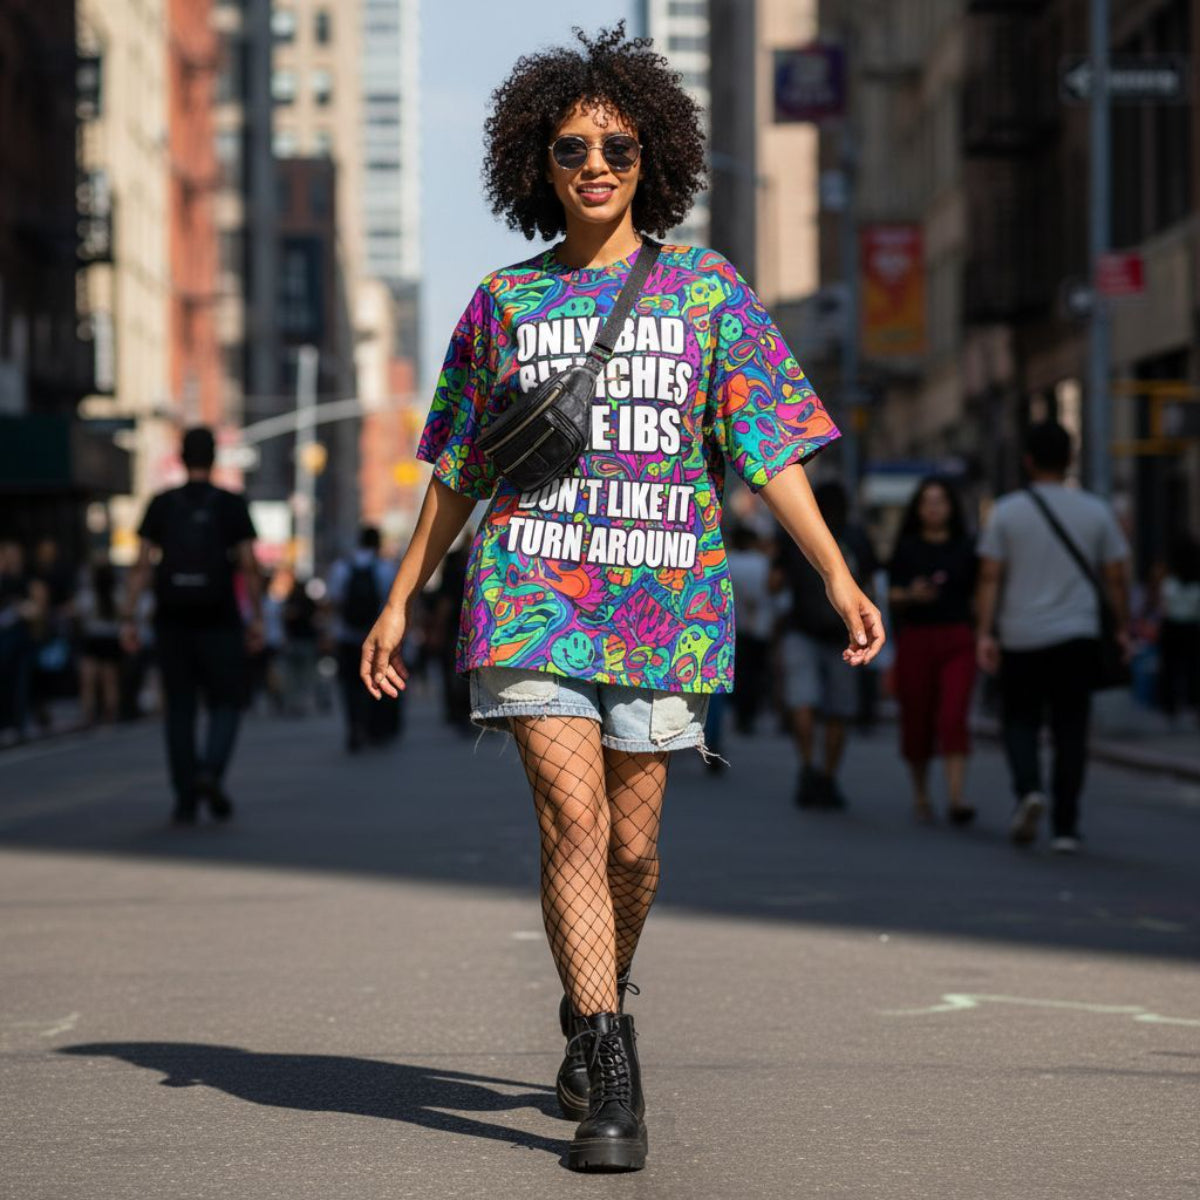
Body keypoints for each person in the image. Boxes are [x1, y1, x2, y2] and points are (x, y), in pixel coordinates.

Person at [357, 24, 884, 1174]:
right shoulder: (501, 305)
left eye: (617, 144)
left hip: (666, 606)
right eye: (570, 147)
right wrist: (403, 597)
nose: (594, 163)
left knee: (633, 855)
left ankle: (591, 994)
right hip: (532, 590)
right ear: (535, 165)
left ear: (654, 157)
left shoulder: (709, 291)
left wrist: (836, 570)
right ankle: (610, 1059)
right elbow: (458, 470)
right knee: (575, 824)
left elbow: (771, 446)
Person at [976, 420, 1130, 853]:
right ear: (1070, 460)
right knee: (1071, 730)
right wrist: (1121, 627)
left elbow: (989, 577)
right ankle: (1066, 826)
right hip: (1078, 636)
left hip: (1020, 635)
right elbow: (1116, 578)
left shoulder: (1006, 511)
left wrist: (985, 633)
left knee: (1019, 720)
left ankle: (1029, 790)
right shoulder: (1096, 511)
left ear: (1027, 461)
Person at [121, 427, 263, 824]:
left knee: (180, 709)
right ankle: (209, 772)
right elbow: (249, 566)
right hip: (221, 619)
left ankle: (185, 796)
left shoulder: (162, 504)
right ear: (214, 459)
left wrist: (129, 617)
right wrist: (257, 618)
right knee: (226, 703)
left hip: (173, 620)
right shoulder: (231, 504)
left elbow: (141, 566)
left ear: (182, 458)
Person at [773, 480, 877, 810]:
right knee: (839, 710)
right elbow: (871, 585)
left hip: (800, 627)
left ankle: (807, 766)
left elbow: (773, 582)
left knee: (802, 702)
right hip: (844, 633)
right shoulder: (856, 536)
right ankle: (829, 777)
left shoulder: (795, 532)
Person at [887, 476, 978, 824]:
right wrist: (911, 595)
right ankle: (921, 793)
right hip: (917, 637)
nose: (934, 508)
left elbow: (979, 592)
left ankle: (957, 797)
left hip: (957, 637)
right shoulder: (907, 547)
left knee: (954, 715)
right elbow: (889, 592)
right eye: (927, 501)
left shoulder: (967, 546)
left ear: (952, 507)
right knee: (917, 717)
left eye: (940, 501)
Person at [327, 527, 398, 751]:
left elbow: (333, 601)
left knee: (349, 685)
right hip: (376, 637)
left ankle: (354, 725)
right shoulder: (385, 568)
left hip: (347, 635)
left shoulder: (341, 567)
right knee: (375, 681)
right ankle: (373, 726)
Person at [1157, 533, 1200, 725]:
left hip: (1172, 627)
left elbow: (1163, 605)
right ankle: (1192, 705)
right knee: (1193, 668)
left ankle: (1170, 707)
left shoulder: (1170, 582)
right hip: (1192, 627)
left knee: (1170, 669)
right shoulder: (1194, 582)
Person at [75, 558, 124, 726]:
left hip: (102, 638)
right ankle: (99, 713)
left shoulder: (107, 594)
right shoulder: (96, 594)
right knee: (101, 679)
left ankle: (103, 713)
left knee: (100, 679)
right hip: (100, 639)